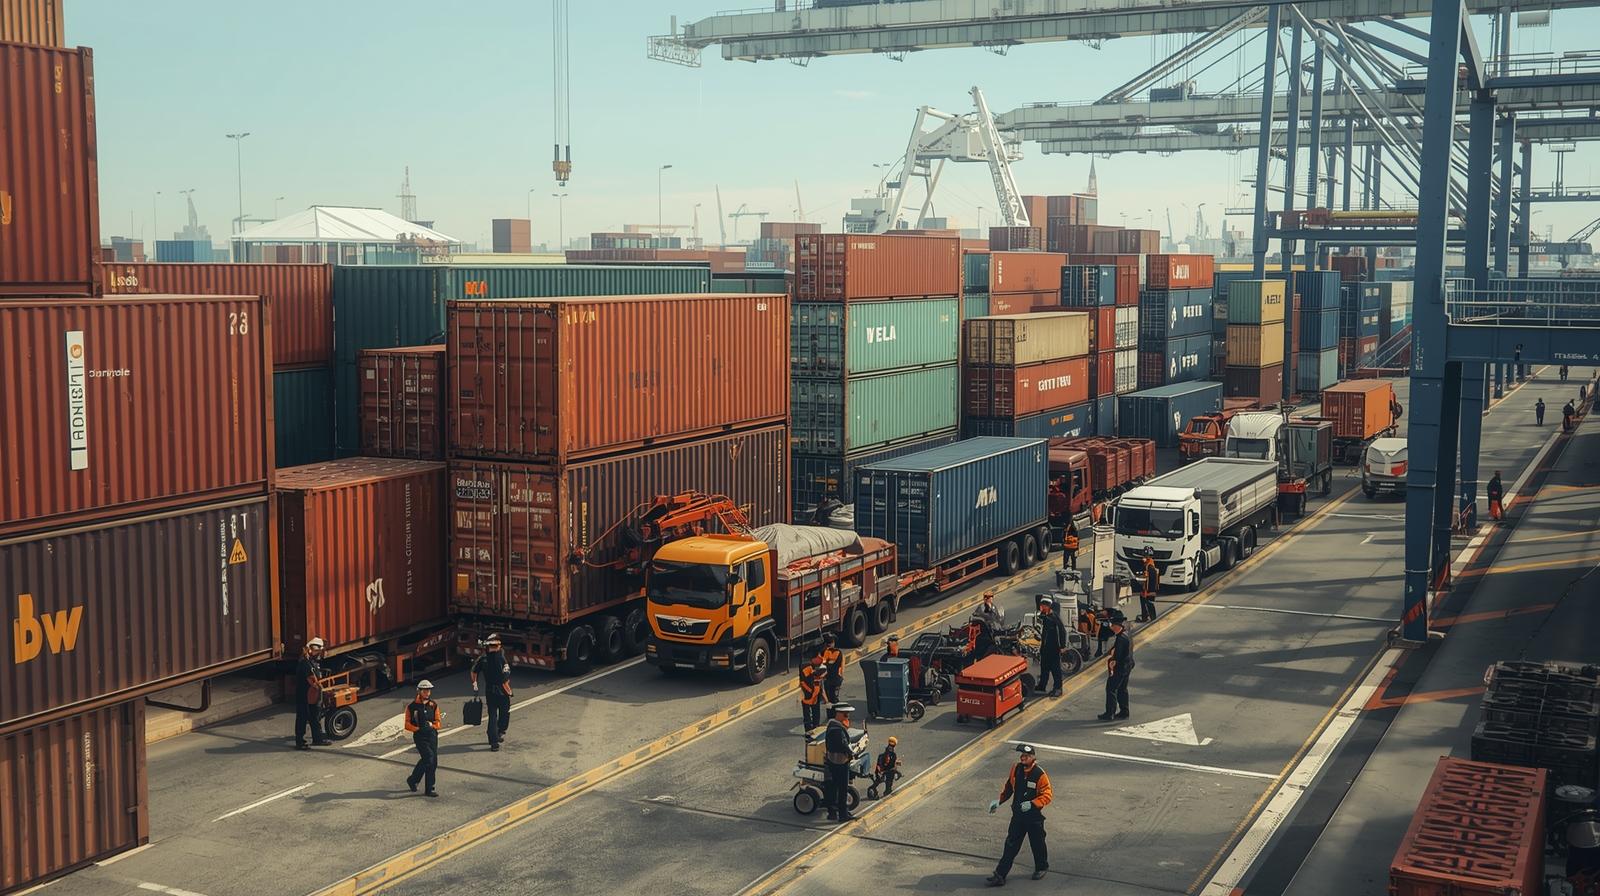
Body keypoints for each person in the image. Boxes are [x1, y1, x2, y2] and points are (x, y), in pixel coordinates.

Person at [985, 743, 1053, 887]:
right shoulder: (1015, 769)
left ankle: (1041, 867)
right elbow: (1009, 786)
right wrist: (1000, 800)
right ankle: (1000, 874)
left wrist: (1033, 803)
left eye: (1026, 756)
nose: (1023, 758)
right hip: (1018, 816)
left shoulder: (1040, 774)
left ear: (1033, 758)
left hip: (1033, 818)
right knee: (1010, 844)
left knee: (1037, 843)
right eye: (1022, 755)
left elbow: (1047, 795)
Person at [470, 634, 513, 751]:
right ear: (498, 646)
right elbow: (506, 675)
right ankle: (499, 732)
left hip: (490, 690)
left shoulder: (483, 659)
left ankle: (493, 741)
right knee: (504, 712)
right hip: (502, 691)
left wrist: (475, 684)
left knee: (492, 716)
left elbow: (474, 671)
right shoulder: (501, 659)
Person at [404, 680, 442, 797]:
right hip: (420, 737)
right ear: (419, 691)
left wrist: (433, 726)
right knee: (429, 758)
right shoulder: (411, 707)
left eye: (429, 690)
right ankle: (415, 781)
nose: (427, 693)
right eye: (425, 691)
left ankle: (425, 786)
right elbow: (407, 724)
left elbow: (438, 722)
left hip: (432, 735)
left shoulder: (433, 705)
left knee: (432, 761)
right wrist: (417, 729)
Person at [293, 637, 330, 750]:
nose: (318, 653)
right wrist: (322, 688)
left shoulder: (311, 662)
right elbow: (312, 680)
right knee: (303, 718)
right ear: (311, 650)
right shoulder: (306, 664)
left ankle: (317, 738)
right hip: (305, 696)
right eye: (317, 651)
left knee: (314, 716)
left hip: (311, 696)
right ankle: (300, 742)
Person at [823, 703, 857, 823]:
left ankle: (835, 812)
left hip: (832, 760)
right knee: (842, 788)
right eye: (845, 714)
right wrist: (852, 753)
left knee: (834, 787)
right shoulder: (837, 730)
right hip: (840, 762)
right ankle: (843, 815)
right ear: (838, 714)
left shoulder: (832, 725)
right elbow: (843, 745)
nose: (847, 716)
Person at [1097, 616, 1133, 721]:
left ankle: (1110, 713)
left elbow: (1117, 655)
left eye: (1113, 625)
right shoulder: (1127, 634)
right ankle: (1124, 711)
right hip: (1128, 666)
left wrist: (1112, 663)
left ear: (1118, 626)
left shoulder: (1121, 638)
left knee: (1111, 689)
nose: (1111, 627)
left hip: (1120, 667)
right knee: (1122, 689)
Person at [1036, 597, 1068, 697]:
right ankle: (1042, 686)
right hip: (1045, 648)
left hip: (1054, 648)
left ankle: (1058, 688)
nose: (1041, 607)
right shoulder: (1044, 616)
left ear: (1047, 606)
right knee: (1044, 667)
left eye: (1043, 606)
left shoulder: (1054, 618)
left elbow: (1062, 631)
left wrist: (1062, 646)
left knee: (1055, 669)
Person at [799, 649, 826, 732]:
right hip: (807, 693)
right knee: (807, 713)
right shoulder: (806, 667)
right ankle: (808, 730)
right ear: (814, 658)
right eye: (819, 657)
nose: (821, 658)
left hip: (815, 693)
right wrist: (810, 691)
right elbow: (803, 681)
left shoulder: (816, 666)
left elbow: (819, 682)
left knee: (816, 711)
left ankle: (816, 728)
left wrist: (823, 695)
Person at [820, 634, 845, 705]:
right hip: (837, 677)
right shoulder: (839, 652)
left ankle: (830, 712)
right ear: (833, 643)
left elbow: (823, 665)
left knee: (829, 698)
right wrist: (842, 676)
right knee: (834, 697)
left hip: (828, 678)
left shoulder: (825, 652)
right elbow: (842, 665)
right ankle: (835, 712)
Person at [1137, 550, 1160, 623]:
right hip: (1146, 589)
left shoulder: (1150, 567)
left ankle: (1151, 618)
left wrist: (1150, 592)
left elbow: (1152, 580)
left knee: (1149, 602)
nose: (1143, 558)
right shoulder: (1147, 565)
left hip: (1149, 590)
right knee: (1145, 602)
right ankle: (1145, 616)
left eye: (1145, 556)